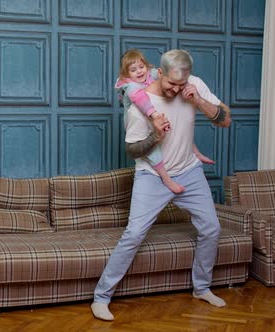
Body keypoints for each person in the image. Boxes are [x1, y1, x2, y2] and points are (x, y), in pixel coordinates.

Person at [91, 49, 232, 321]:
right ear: (159, 73)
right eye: (171, 84)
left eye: (182, 84)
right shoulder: (139, 105)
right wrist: (155, 136)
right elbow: (133, 150)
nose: (176, 90)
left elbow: (225, 119)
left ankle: (201, 288)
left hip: (189, 172)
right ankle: (101, 297)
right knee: (133, 235)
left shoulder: (195, 86)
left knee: (212, 228)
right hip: (152, 176)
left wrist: (199, 100)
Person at [115, 49, 215, 194]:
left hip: (151, 117)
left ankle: (196, 152)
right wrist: (155, 115)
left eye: (141, 67)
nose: (139, 72)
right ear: (126, 74)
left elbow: (167, 72)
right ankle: (166, 179)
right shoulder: (131, 86)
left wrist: (176, 71)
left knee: (179, 128)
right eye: (133, 70)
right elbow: (141, 100)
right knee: (154, 151)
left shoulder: (150, 74)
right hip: (141, 119)